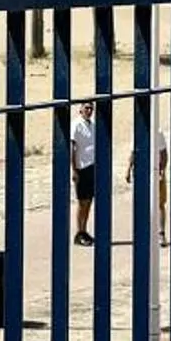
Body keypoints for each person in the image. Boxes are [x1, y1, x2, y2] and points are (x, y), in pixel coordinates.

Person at [71, 101, 99, 244]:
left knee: (89, 201)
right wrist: (74, 169)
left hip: (92, 166)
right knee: (82, 202)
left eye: (91, 108)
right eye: (86, 108)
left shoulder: (93, 125)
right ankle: (79, 232)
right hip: (82, 167)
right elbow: (73, 148)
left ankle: (84, 230)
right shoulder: (76, 125)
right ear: (80, 109)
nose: (89, 111)